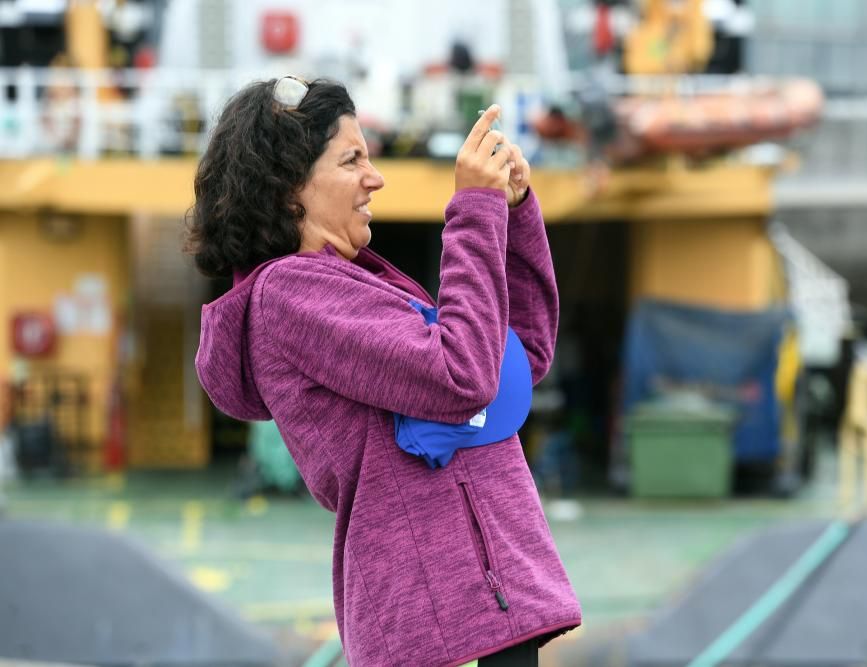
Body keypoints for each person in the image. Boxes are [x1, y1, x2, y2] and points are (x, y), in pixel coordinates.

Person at [186, 77, 581, 667]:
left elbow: (516, 361)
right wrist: (472, 208)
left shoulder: (350, 287)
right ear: (286, 188)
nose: (375, 178)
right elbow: (461, 376)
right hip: (441, 629)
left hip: (479, 618)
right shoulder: (291, 295)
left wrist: (515, 213)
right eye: (352, 160)